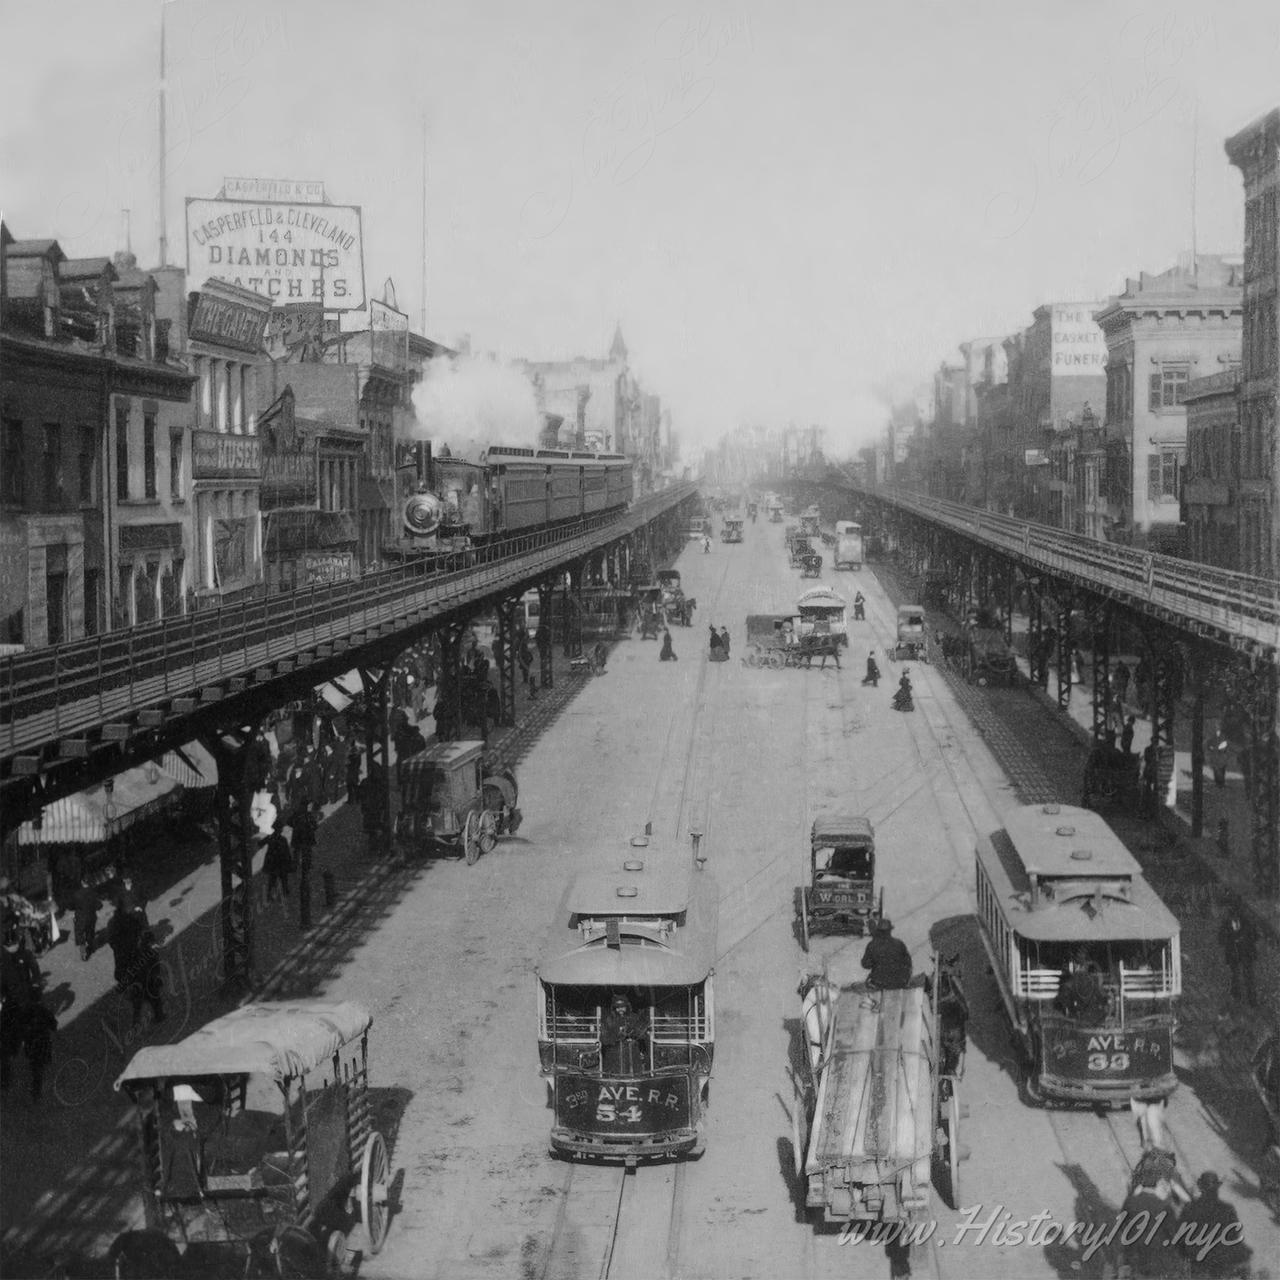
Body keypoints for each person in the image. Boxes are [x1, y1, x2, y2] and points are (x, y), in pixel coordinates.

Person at [1179, 1171, 1249, 1278]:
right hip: (1219, 1265)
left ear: (1200, 1186)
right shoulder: (1228, 1209)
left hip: (1197, 1265)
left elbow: (1180, 1238)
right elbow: (1234, 1238)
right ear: (1217, 1188)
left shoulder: (1190, 1208)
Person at [1120, 1162, 1184, 1280]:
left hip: (1136, 1258)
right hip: (1159, 1260)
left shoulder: (1130, 1201)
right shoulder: (1164, 1206)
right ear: (1156, 1184)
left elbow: (1121, 1226)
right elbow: (1175, 1234)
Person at [1217, 903, 1258, 1005]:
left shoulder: (1246, 922)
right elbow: (1221, 940)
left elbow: (1255, 935)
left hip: (1246, 953)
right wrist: (1231, 940)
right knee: (1235, 975)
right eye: (1233, 915)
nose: (1235, 917)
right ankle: (1236, 995)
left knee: (1249, 976)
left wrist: (1246, 940)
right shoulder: (1226, 924)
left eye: (1237, 915)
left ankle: (1252, 999)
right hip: (1233, 954)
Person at [600, 993, 648, 1074]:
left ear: (627, 1006)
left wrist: (633, 1034)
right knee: (613, 1078)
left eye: (622, 1007)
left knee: (633, 1077)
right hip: (614, 1056)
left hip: (632, 1054)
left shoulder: (634, 1018)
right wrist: (616, 1036)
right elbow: (604, 1039)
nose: (620, 1009)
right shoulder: (609, 1020)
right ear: (614, 1008)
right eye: (617, 1007)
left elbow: (643, 1035)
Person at [1055, 949, 1107, 1022]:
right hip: (1093, 1019)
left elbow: (1063, 1001)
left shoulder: (1073, 981)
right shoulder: (1093, 980)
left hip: (1082, 1020)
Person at [861, 919, 913, 990]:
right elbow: (908, 963)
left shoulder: (872, 945)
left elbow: (865, 965)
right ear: (890, 931)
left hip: (879, 983)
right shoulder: (899, 943)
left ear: (878, 931)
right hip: (900, 983)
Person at [72, 873, 102, 962]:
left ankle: (83, 953)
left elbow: (72, 906)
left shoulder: (77, 894)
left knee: (80, 934)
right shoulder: (93, 893)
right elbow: (99, 906)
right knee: (90, 932)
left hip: (80, 917)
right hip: (91, 916)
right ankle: (91, 946)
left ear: (82, 882)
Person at [263, 819, 293, 903]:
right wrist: (289, 862)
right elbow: (286, 852)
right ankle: (284, 894)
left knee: (273, 879)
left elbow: (261, 843)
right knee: (283, 878)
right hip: (280, 862)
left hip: (273, 862)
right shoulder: (282, 839)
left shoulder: (271, 837)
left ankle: (270, 896)